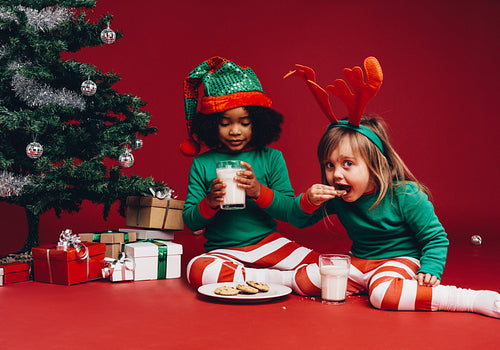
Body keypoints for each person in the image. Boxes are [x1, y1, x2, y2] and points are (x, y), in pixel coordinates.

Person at [285, 57, 500, 318]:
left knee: (384, 296)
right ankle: (245, 278)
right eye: (329, 165)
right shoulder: (336, 198)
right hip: (358, 261)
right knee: (305, 280)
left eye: (348, 164)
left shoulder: (405, 195)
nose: (336, 174)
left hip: (398, 260)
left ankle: (471, 300)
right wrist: (309, 200)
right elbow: (298, 219)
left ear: (375, 164)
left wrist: (430, 269)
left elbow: (435, 238)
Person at [181, 56, 321, 293]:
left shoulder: (271, 158)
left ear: (258, 123)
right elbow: (190, 221)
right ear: (211, 124)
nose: (235, 131)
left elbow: (289, 210)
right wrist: (210, 202)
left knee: (324, 266)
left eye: (244, 122)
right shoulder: (202, 163)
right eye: (225, 123)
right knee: (199, 270)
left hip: (269, 244)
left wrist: (258, 191)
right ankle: (283, 280)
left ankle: (251, 278)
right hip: (223, 250)